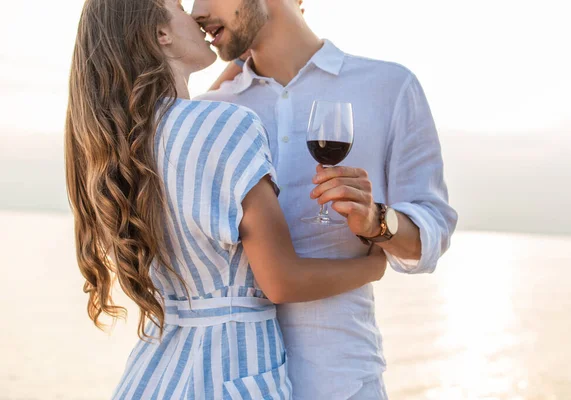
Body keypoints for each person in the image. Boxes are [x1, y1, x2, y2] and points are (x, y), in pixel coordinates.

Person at [64, 0, 387, 398]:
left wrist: (232, 72)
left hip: (155, 373)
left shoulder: (118, 147)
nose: (196, 15)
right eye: (180, 7)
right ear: (161, 34)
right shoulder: (226, 125)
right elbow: (282, 281)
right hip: (231, 374)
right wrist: (373, 266)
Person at [193, 0, 459, 398]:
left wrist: (378, 222)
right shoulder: (210, 111)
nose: (196, 10)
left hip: (342, 380)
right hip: (228, 382)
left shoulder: (388, 87)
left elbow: (432, 232)